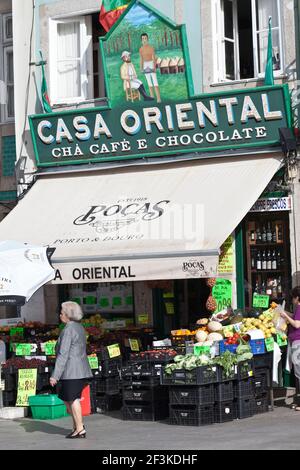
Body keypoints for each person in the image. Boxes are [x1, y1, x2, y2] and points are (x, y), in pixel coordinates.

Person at [50, 301, 92, 438]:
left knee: (72, 399)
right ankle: (77, 426)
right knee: (69, 398)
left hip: (70, 371)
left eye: (62, 313)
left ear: (68, 315)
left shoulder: (68, 330)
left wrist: (55, 375)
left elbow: (63, 354)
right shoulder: (79, 327)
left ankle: (80, 429)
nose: (60, 315)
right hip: (79, 369)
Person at [281, 286, 300, 410]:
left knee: (299, 373)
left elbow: (297, 324)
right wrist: (286, 314)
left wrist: (285, 316)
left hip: (298, 343)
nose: (292, 300)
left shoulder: (299, 307)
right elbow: (296, 318)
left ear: (297, 298)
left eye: (293, 297)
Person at [139, 33, 161, 103]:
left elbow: (154, 58)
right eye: (143, 39)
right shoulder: (141, 49)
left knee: (155, 81)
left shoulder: (151, 48)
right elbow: (141, 59)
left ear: (147, 39)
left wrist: (154, 67)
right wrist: (141, 68)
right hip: (145, 65)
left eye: (145, 38)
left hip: (151, 63)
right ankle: (152, 96)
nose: (144, 40)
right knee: (149, 81)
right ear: (141, 40)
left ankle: (158, 98)